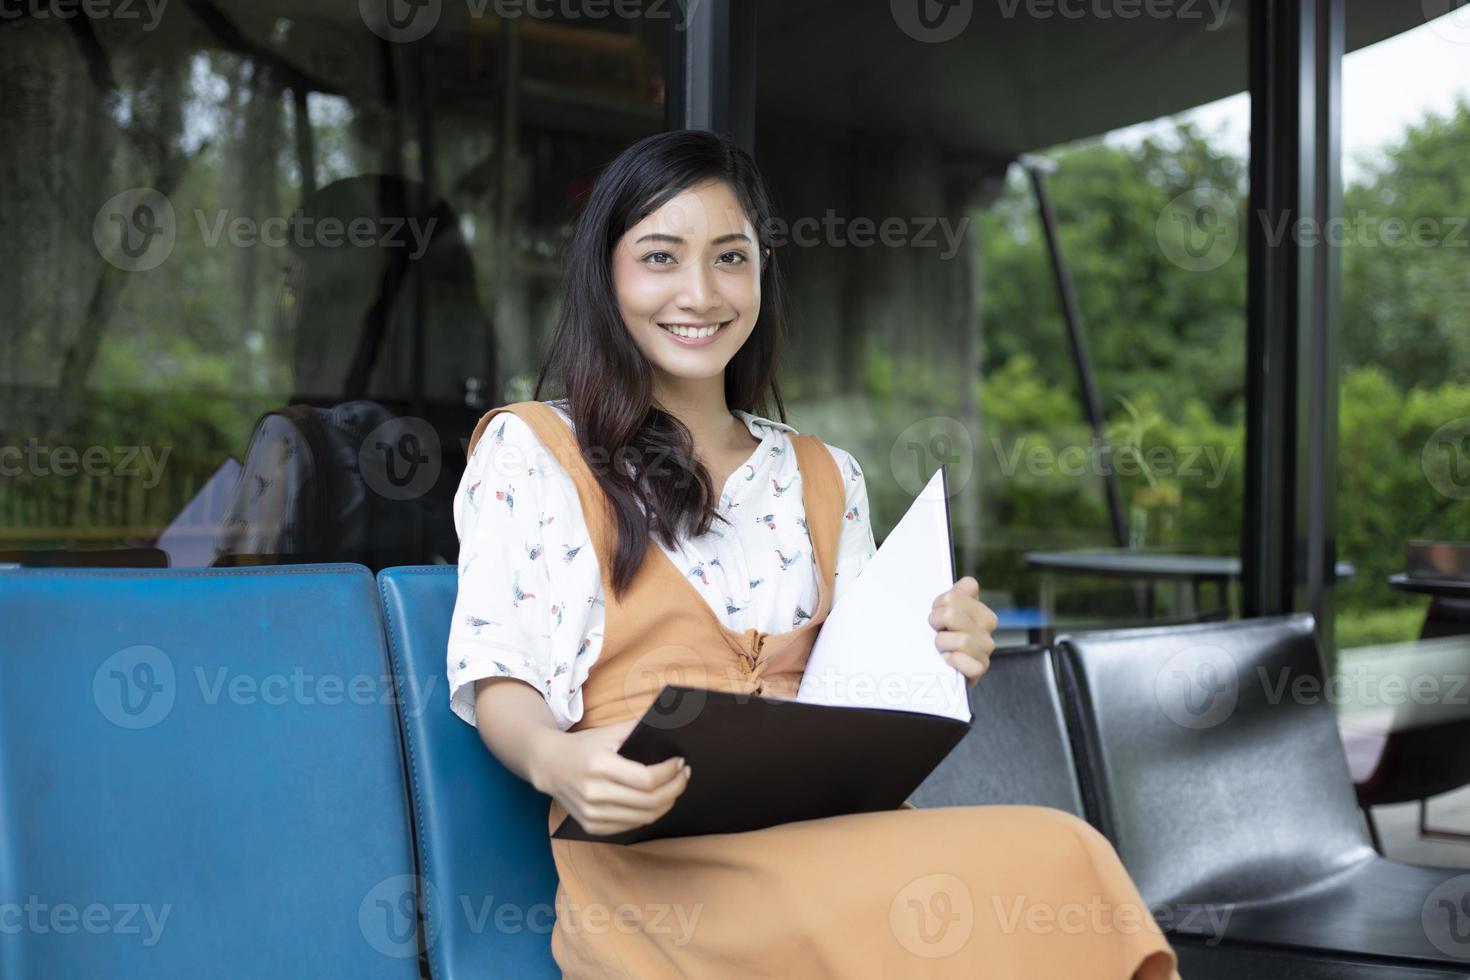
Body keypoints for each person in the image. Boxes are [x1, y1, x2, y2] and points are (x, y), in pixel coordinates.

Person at [446, 129, 1181, 979]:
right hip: (662, 877)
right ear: (606, 276)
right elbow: (499, 670)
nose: (699, 291)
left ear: (762, 273)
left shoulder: (824, 473)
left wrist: (944, 650)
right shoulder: (534, 449)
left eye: (730, 257)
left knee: (1065, 854)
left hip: (833, 836)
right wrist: (557, 758)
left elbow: (863, 687)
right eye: (659, 256)